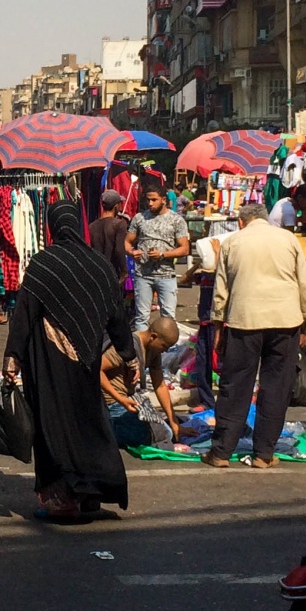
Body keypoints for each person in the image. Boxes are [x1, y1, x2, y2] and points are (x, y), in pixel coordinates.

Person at [3, 201, 138, 523]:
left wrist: (13, 358)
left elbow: (24, 315)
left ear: (53, 226)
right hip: (88, 361)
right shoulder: (99, 266)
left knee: (55, 427)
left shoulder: (44, 263)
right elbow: (117, 316)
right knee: (89, 424)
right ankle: (92, 493)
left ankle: (62, 501)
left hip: (49, 364)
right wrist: (129, 355)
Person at [204, 204, 306, 469]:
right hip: (285, 321)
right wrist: (305, 322)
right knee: (276, 388)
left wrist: (219, 329)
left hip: (245, 321)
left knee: (236, 387)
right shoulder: (288, 239)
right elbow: (303, 284)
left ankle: (221, 453)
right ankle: (264, 454)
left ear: (242, 222)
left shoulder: (232, 242)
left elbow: (221, 292)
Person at [101, 313, 181, 447]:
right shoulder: (126, 346)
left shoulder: (154, 350)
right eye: (164, 346)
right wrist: (120, 399)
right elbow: (98, 369)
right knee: (154, 435)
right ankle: (103, 430)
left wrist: (175, 423)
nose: (164, 351)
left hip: (129, 400)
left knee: (166, 430)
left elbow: (159, 385)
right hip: (112, 402)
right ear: (153, 337)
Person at [125, 185, 190, 329]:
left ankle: (168, 349)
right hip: (143, 275)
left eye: (154, 200)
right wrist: (132, 252)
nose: (150, 203)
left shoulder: (176, 220)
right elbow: (127, 242)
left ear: (163, 200)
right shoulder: (140, 218)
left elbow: (185, 249)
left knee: (168, 317)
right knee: (141, 317)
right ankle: (142, 349)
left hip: (166, 275)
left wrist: (163, 254)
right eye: (148, 200)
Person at [88, 189, 128, 282]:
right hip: (112, 271)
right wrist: (124, 271)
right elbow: (119, 249)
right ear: (116, 206)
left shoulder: (91, 226)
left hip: (96, 271)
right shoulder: (119, 224)